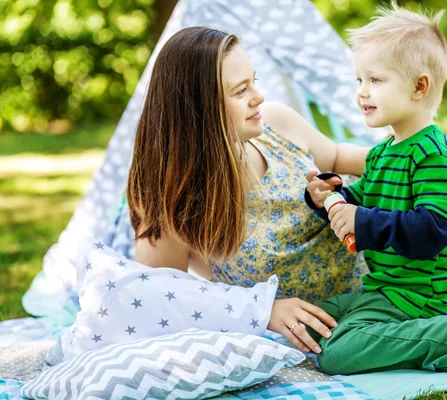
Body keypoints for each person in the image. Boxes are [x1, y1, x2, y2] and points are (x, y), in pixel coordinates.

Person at [126, 26, 372, 355]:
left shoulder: (275, 124)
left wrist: (416, 159)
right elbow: (161, 298)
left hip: (408, 259)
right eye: (241, 90)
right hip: (359, 320)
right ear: (199, 112)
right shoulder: (174, 207)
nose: (259, 96)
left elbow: (340, 157)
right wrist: (261, 309)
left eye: (253, 81)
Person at [305, 5, 447, 374]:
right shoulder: (382, 153)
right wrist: (330, 198)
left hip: (422, 300)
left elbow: (433, 230)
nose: (361, 93)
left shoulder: (434, 156)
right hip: (386, 289)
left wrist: (363, 220)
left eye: (375, 80)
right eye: (359, 80)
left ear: (420, 86)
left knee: (333, 356)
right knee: (310, 321)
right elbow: (367, 203)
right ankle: (378, 332)